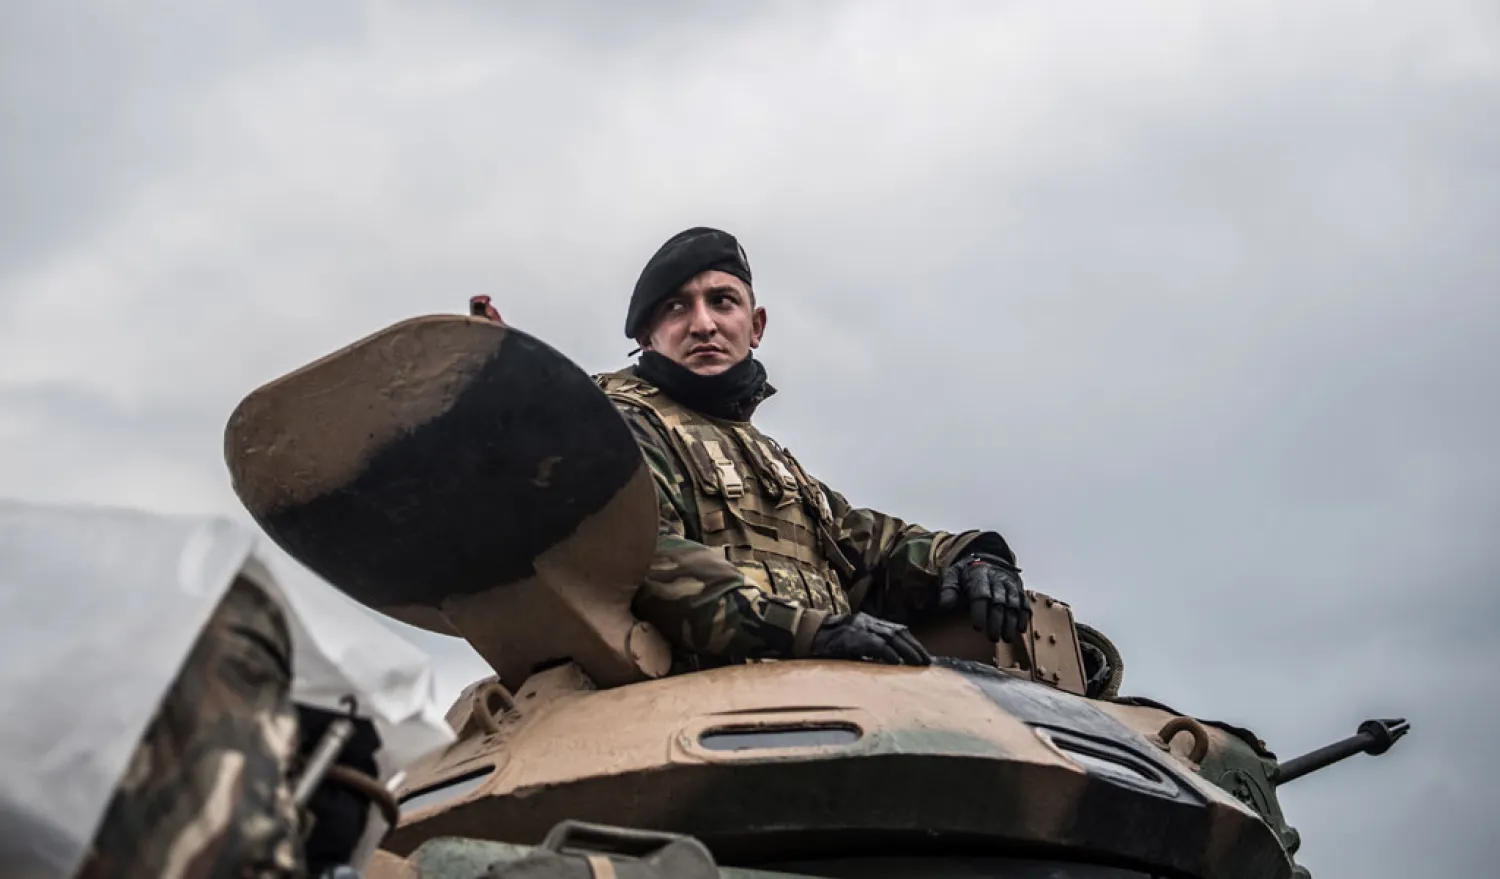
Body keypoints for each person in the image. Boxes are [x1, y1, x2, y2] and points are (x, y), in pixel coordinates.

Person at [593, 227, 1034, 672]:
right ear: (649, 337)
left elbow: (870, 547)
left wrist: (971, 555)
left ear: (756, 325)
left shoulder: (770, 462)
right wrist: (811, 632)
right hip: (693, 713)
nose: (703, 324)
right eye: (676, 307)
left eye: (722, 302)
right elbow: (649, 557)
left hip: (815, 709)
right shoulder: (619, 427)